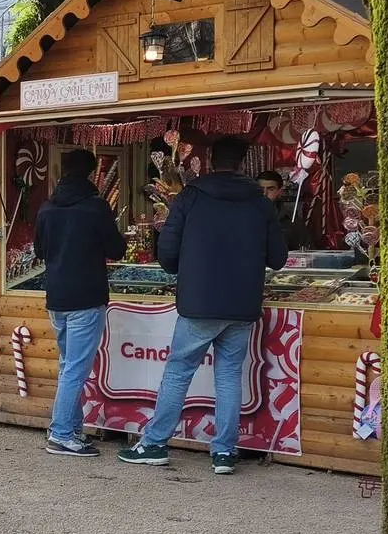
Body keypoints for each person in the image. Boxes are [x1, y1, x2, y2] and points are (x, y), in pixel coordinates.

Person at [118, 137, 287, 475]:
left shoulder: (191, 197)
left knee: (179, 372)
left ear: (210, 159)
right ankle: (224, 453)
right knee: (228, 376)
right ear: (243, 164)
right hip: (242, 304)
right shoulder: (259, 202)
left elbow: (167, 247)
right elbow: (278, 257)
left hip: (199, 302)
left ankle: (154, 444)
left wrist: (182, 267)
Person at [33, 149, 128, 457]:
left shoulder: (47, 208)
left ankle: (72, 429)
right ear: (91, 172)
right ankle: (61, 434)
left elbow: (39, 251)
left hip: (57, 296)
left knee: (67, 365)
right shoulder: (95, 207)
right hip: (86, 297)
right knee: (75, 368)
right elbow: (115, 249)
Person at [256, 169, 310, 250]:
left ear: (279, 192)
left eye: (270, 189)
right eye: (261, 189)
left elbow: (304, 250)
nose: (265, 194)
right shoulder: (244, 215)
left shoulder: (290, 219)